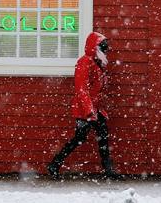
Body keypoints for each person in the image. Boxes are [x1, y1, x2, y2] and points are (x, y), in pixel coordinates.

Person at [47, 32, 124, 181]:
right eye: (103, 46)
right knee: (79, 139)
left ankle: (108, 169)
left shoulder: (97, 62)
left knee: (103, 137)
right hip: (85, 110)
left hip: (96, 109)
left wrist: (98, 109)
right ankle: (54, 164)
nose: (106, 49)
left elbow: (97, 88)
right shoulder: (85, 62)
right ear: (95, 47)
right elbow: (82, 89)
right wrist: (89, 111)